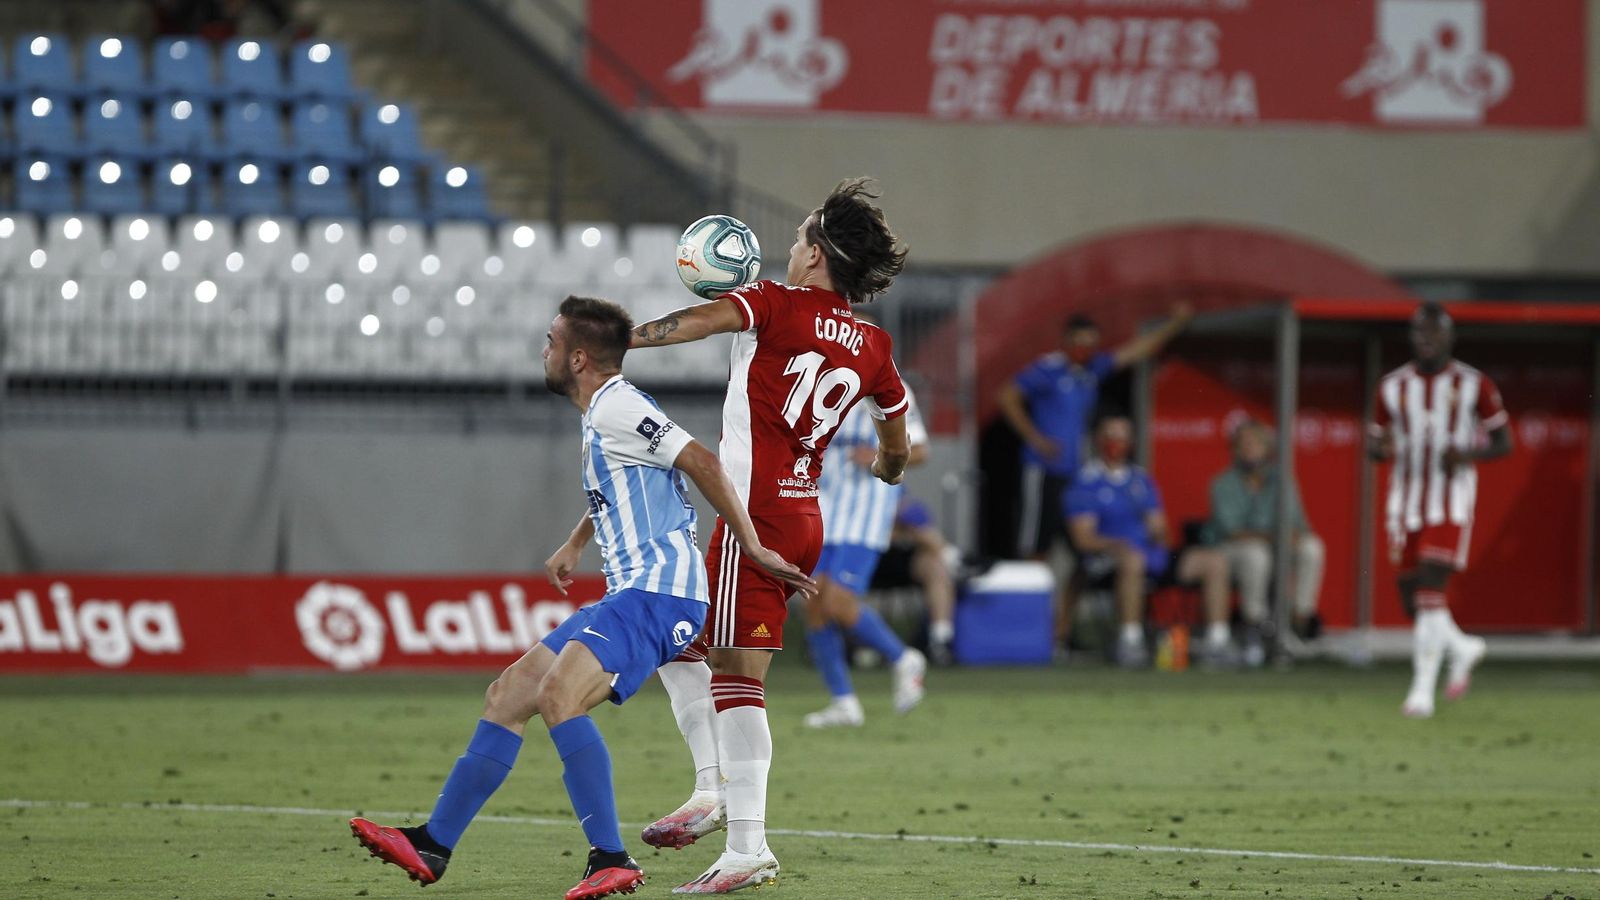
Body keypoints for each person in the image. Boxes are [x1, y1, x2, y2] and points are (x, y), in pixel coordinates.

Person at [347, 297, 815, 900]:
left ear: (577, 357)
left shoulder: (618, 405)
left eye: (549, 341)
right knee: (509, 694)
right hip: (631, 593)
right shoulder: (602, 411)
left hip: (659, 594)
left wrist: (750, 546)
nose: (542, 351)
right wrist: (575, 541)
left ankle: (609, 858)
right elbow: (626, 485)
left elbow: (700, 460)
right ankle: (433, 843)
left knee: (558, 697)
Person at [626, 177, 912, 893]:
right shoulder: (873, 344)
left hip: (751, 516)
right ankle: (710, 792)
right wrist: (884, 464)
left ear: (815, 254)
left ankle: (746, 841)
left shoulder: (773, 304)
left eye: (797, 238)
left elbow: (696, 322)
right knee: (678, 637)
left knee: (737, 679)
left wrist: (617, 341)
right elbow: (897, 445)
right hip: (803, 514)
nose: (786, 249)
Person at [995, 306, 1192, 651]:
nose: (1084, 349)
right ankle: (1030, 633)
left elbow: (1138, 350)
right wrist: (1035, 438)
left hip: (1075, 479)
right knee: (1036, 552)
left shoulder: (1092, 370)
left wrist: (1176, 322)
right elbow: (1007, 396)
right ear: (1066, 341)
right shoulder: (1049, 369)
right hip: (1042, 473)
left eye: (1090, 343)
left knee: (1083, 559)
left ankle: (1061, 632)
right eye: (1079, 342)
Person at [1368, 302, 1511, 718]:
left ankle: (1421, 693)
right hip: (1405, 504)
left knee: (1431, 588)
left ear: (1450, 337)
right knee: (1412, 600)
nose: (1425, 340)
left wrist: (1466, 454)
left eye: (1434, 333)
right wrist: (1380, 449)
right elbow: (1375, 445)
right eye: (1419, 333)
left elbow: (1504, 442)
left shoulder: (1474, 384)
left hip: (1449, 501)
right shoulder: (1391, 387)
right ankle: (1462, 647)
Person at [803, 380, 930, 728]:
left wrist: (880, 455)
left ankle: (903, 657)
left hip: (864, 516)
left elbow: (919, 451)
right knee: (813, 603)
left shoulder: (892, 388)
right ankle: (843, 702)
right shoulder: (819, 382)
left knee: (837, 603)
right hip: (824, 510)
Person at [1065, 416, 1235, 667]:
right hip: (1107, 561)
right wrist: (1117, 544)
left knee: (1214, 561)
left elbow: (1159, 526)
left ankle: (1218, 641)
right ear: (1099, 440)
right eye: (1110, 436)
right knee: (1133, 560)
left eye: (1122, 436)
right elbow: (1083, 539)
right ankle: (1130, 640)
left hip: (1149, 555)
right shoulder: (1086, 482)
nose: (1116, 443)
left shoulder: (1140, 480)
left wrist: (1158, 534)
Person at [1206, 419, 1325, 666]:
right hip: (1233, 551)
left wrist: (1293, 536)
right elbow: (1231, 531)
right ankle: (1256, 626)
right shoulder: (1222, 483)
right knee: (1256, 553)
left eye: (1256, 444)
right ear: (1235, 449)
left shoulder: (1282, 480)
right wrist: (1275, 537)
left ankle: (1300, 619)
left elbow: (1299, 523)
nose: (1250, 450)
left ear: (1267, 448)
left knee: (1312, 547)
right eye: (1244, 444)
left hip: (1276, 546)